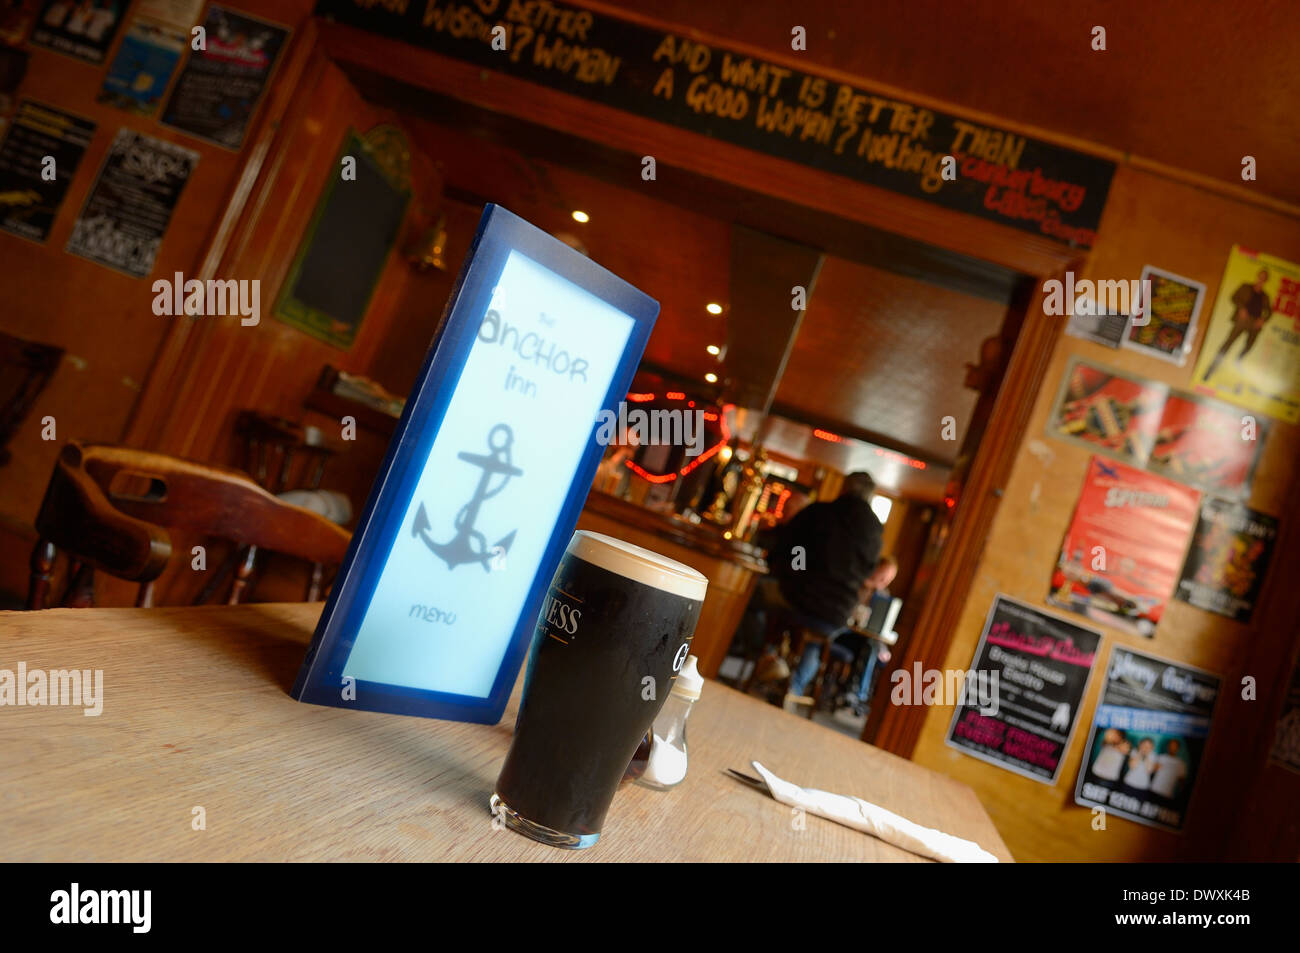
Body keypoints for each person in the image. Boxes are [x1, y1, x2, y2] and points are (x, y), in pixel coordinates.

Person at [760, 471, 885, 705]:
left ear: (844, 489)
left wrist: (794, 569)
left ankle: (770, 656)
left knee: (757, 592)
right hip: (839, 612)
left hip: (799, 596)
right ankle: (791, 688)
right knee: (815, 644)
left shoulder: (820, 512)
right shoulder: (875, 532)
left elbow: (789, 545)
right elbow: (868, 572)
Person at [1204, 268, 1271, 380]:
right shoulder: (1246, 287)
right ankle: (1211, 369)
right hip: (1243, 320)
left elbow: (1269, 311)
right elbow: (1234, 297)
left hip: (1255, 324)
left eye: (1264, 278)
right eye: (1261, 276)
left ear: (1266, 280)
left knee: (1249, 345)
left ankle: (1238, 361)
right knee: (1228, 343)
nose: (1261, 279)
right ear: (1257, 276)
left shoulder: (1265, 296)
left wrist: (1263, 319)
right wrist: (1242, 308)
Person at [1149, 738, 1187, 803]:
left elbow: (1182, 781)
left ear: (1178, 748)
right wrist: (1155, 768)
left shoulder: (1181, 764)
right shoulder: (1161, 757)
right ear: (1168, 746)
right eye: (1171, 745)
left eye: (1174, 746)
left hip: (1168, 794)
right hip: (1154, 789)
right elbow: (1151, 771)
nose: (1172, 747)